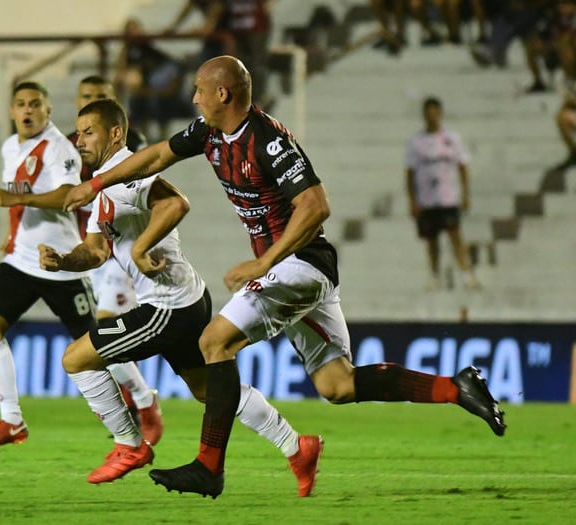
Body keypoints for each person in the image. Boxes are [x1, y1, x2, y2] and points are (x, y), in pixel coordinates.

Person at [64, 56, 506, 499]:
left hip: (300, 263)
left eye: (201, 89)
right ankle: (455, 388)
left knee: (214, 340)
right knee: (338, 385)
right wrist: (97, 183)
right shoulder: (211, 132)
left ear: (223, 93)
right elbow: (158, 154)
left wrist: (263, 262)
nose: (194, 97)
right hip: (292, 269)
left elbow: (315, 206)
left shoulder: (268, 140)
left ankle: (209, 467)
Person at [41, 98, 322, 495]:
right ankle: (297, 447)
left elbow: (175, 203)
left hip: (167, 307)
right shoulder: (103, 184)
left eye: (89, 132)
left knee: (76, 358)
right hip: (184, 300)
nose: (80, 139)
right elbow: (96, 251)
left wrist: (141, 249)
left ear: (115, 133)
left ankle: (129, 444)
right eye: (78, 132)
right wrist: (63, 262)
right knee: (210, 390)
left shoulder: (127, 172)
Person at [0, 81, 92, 449]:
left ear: (48, 110)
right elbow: (22, 197)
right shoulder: (11, 146)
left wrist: (13, 198)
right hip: (21, 259)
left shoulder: (61, 149)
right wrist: (11, 233)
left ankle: (142, 402)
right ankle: (11, 420)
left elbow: (68, 195)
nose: (27, 110)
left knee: (97, 345)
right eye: (20, 104)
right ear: (11, 112)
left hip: (60, 262)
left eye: (35, 104)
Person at [67, 75, 164, 445]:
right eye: (86, 97)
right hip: (94, 243)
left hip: (122, 249)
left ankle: (142, 402)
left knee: (105, 328)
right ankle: (138, 405)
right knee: (101, 336)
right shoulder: (72, 146)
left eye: (99, 97)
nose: (92, 99)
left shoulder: (131, 148)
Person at [405, 97, 481, 291]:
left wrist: (465, 194)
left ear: (440, 113)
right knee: (431, 239)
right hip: (427, 198)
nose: (431, 116)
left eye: (434, 112)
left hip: (447, 196)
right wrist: (413, 200)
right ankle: (434, 275)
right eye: (428, 113)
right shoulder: (417, 142)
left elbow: (463, 166)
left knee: (455, 235)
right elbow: (410, 172)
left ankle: (466, 274)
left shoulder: (452, 139)